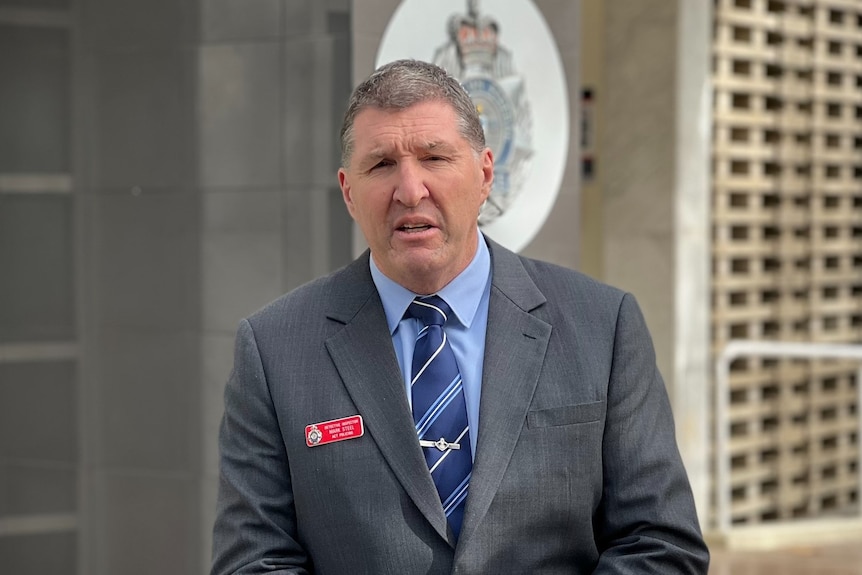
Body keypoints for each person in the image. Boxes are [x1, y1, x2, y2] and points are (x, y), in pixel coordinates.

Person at [211, 59, 709, 574]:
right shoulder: (274, 350)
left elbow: (660, 544)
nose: (410, 189)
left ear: (485, 174)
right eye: (381, 165)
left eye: (434, 157)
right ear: (348, 192)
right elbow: (254, 560)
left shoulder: (603, 327)